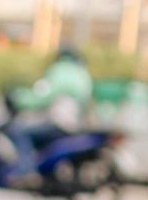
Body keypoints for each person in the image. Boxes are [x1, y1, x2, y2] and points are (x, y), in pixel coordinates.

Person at [5, 46, 95, 175]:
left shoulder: (61, 71)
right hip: (76, 126)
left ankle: (25, 171)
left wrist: (19, 98)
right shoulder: (83, 73)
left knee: (19, 132)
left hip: (59, 124)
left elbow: (43, 97)